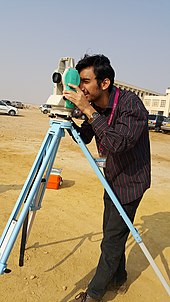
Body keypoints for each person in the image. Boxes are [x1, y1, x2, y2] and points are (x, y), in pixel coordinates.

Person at [63, 54, 151, 302]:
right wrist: (68, 116)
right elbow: (88, 136)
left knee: (112, 239)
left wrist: (88, 110)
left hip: (131, 182)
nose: (80, 88)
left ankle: (93, 294)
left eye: (85, 81)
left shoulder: (131, 105)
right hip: (112, 177)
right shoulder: (99, 105)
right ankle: (119, 277)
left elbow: (117, 143)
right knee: (114, 233)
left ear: (104, 83)